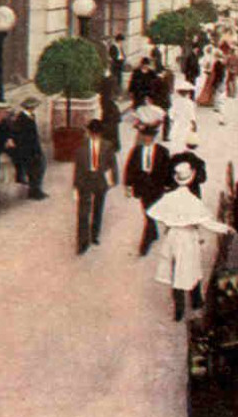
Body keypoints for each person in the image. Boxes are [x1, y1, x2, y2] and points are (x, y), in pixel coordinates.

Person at [148, 160, 230, 322]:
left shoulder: (169, 198)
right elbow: (206, 223)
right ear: (191, 179)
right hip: (188, 237)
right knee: (192, 268)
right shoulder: (193, 201)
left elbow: (155, 214)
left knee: (176, 271)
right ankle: (196, 301)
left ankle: (179, 311)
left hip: (173, 237)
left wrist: (171, 223)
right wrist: (225, 228)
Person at [123, 125, 171, 256]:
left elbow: (167, 170)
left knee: (150, 213)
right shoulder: (136, 150)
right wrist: (128, 185)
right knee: (148, 213)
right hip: (142, 187)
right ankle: (152, 233)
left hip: (156, 187)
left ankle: (145, 243)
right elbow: (130, 168)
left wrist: (168, 186)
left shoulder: (162, 151)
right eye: (145, 136)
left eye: (150, 136)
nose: (147, 139)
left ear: (154, 137)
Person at [73, 119, 119, 254]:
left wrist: (113, 180)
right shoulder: (81, 146)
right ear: (89, 132)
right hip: (85, 181)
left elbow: (113, 164)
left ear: (100, 133)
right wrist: (75, 186)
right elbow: (78, 167)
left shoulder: (107, 146)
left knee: (98, 209)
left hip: (100, 181)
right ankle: (82, 242)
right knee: (83, 213)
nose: (94, 136)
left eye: (96, 133)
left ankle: (94, 234)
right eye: (92, 133)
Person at [10, 96, 48, 199]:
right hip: (27, 150)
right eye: (34, 106)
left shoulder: (31, 116)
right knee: (34, 171)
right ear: (30, 107)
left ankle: (36, 191)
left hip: (34, 148)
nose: (35, 107)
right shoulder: (21, 118)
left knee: (39, 169)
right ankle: (34, 192)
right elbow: (19, 135)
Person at [210, 49, 227, 124]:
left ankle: (216, 107)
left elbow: (215, 73)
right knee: (219, 93)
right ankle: (217, 106)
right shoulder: (223, 62)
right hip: (221, 80)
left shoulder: (217, 63)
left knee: (217, 94)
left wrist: (213, 82)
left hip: (218, 80)